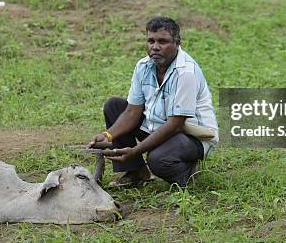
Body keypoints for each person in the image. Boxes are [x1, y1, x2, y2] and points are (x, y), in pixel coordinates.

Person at [88, 17, 218, 187]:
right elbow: (131, 111)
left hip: (193, 136)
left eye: (163, 41)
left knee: (158, 160)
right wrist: (108, 135)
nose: (155, 47)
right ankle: (137, 172)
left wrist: (135, 151)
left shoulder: (186, 73)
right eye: (151, 41)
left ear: (177, 43)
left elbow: (176, 124)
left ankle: (187, 172)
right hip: (160, 126)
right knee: (114, 106)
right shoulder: (143, 66)